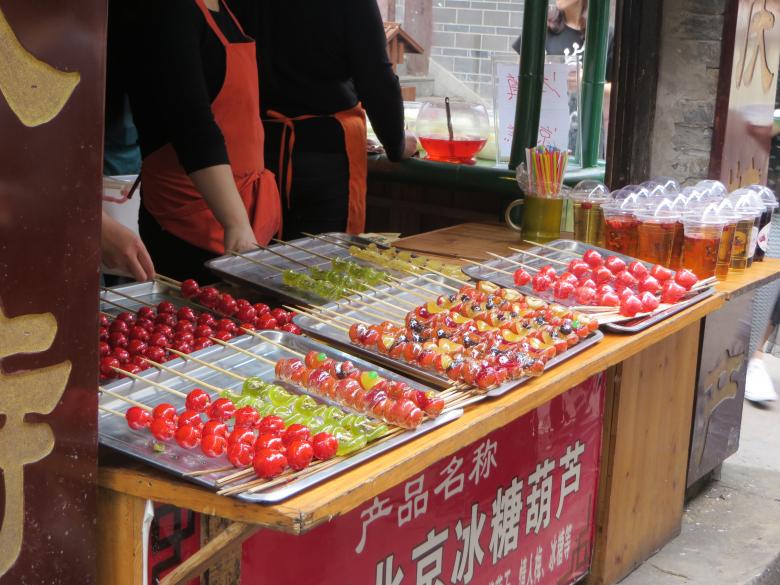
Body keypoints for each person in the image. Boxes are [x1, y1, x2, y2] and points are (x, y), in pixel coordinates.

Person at [232, 1, 418, 240]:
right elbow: (375, 77)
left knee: (260, 258)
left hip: (253, 152)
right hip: (323, 158)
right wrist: (397, 144)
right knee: (320, 258)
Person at [126, 0, 281, 282]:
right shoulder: (170, 11)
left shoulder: (224, 8)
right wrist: (235, 222)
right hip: (191, 216)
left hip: (242, 209)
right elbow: (192, 126)